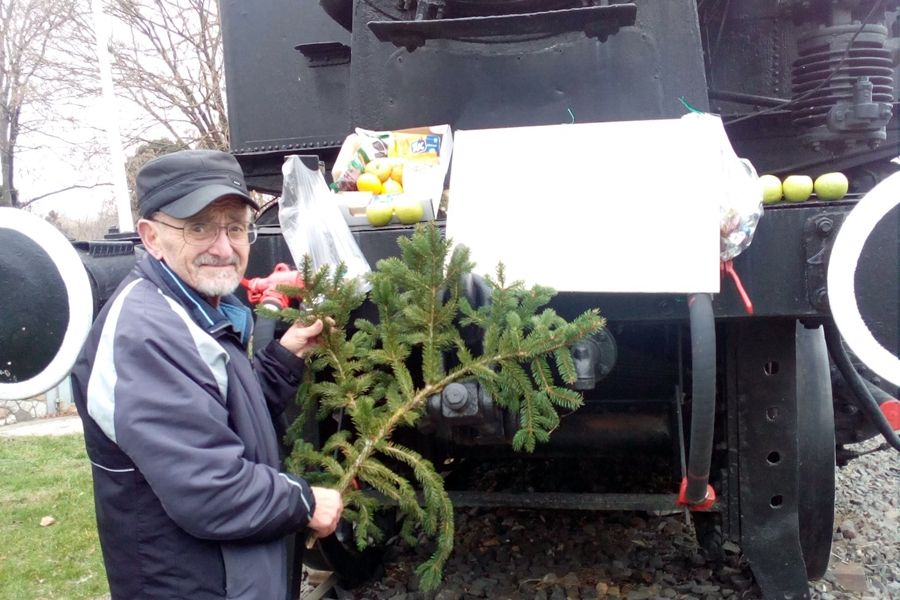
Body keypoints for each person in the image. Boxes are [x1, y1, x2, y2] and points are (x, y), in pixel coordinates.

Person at [70, 149, 343, 599]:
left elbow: (220, 416)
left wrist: (283, 358)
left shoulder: (197, 311)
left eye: (235, 226)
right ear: (151, 237)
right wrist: (303, 501)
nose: (223, 247)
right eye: (198, 227)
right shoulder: (146, 336)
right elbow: (209, 490)